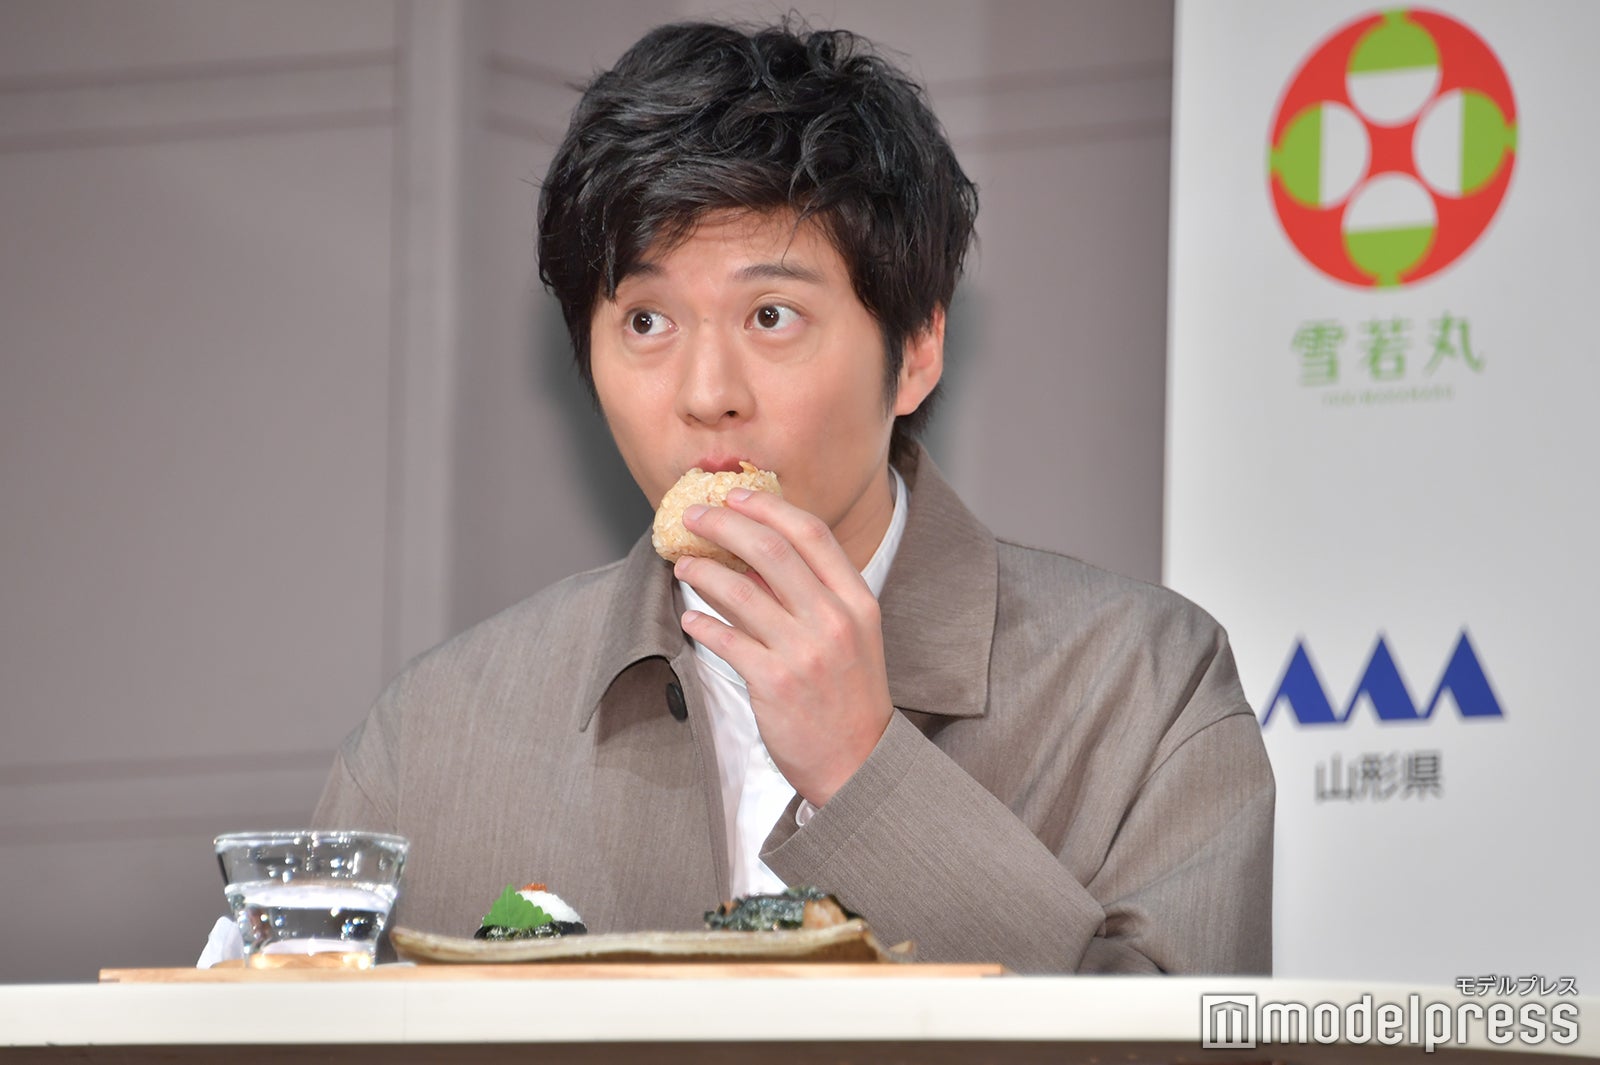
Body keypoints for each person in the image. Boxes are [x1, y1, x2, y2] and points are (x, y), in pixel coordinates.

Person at [313, 19, 1274, 974]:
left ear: (917, 349)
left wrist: (863, 768)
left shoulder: (1145, 687)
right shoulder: (432, 734)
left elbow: (1176, 1034)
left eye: (771, 315)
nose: (707, 393)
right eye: (646, 320)